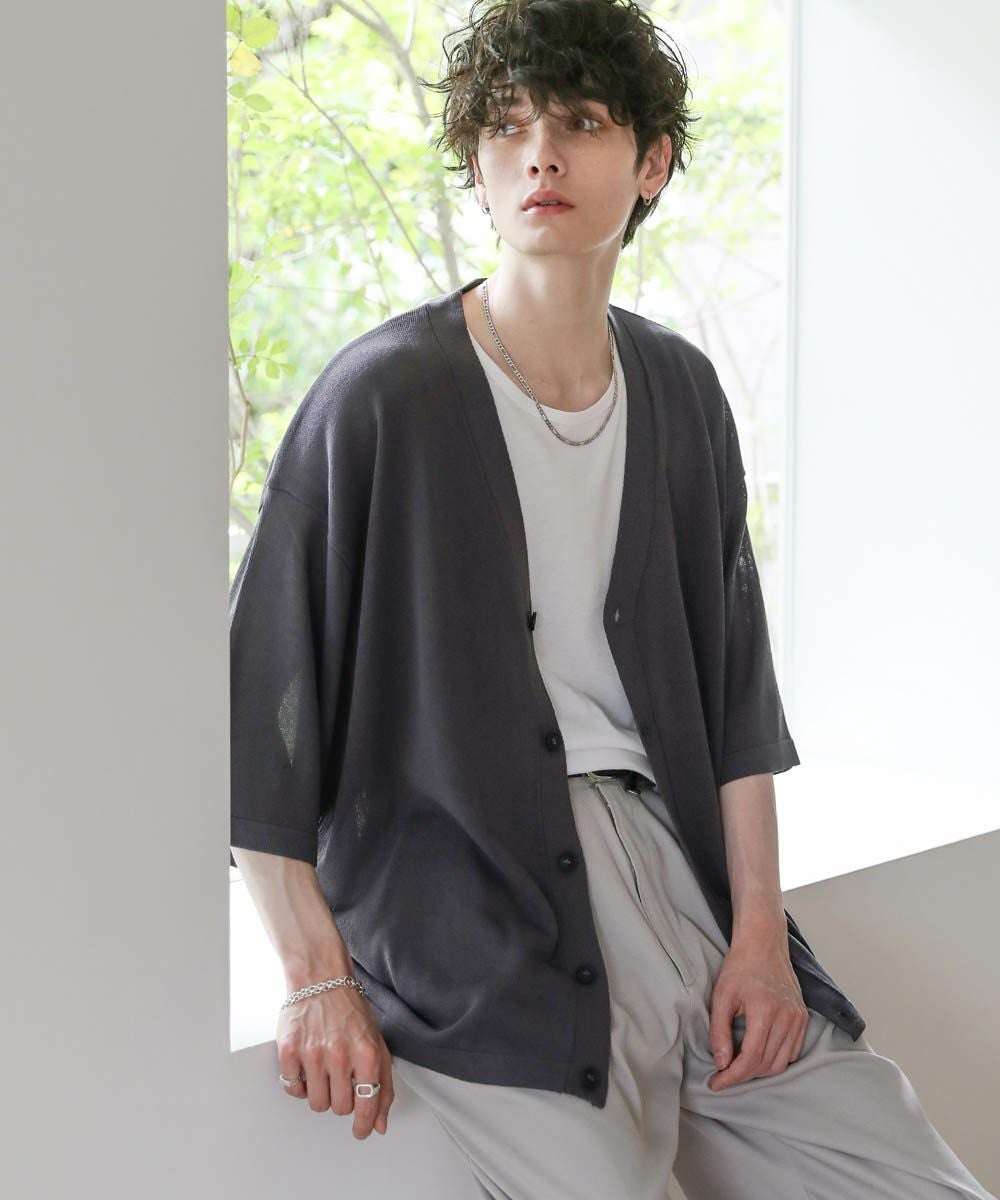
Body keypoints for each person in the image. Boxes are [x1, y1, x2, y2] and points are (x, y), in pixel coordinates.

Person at [229, 2, 997, 1196]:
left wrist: (758, 940)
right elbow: (258, 708)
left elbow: (734, 696)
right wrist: (313, 973)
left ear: (651, 163)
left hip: (682, 879)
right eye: (507, 127)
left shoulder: (681, 392)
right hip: (478, 909)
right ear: (477, 167)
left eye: (580, 123)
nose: (539, 154)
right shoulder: (383, 399)